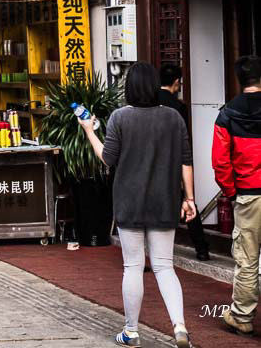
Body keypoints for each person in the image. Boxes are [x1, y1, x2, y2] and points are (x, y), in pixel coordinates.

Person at [79, 62, 194, 348]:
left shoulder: (120, 118)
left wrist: (89, 130)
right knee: (165, 266)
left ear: (129, 87)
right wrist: (189, 198)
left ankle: (131, 332)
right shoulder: (173, 118)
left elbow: (108, 158)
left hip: (129, 201)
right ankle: (179, 326)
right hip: (165, 201)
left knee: (132, 267)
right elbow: (185, 160)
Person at [212, 54, 261, 336]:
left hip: (248, 194)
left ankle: (242, 316)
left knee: (247, 258)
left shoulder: (228, 113)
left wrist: (231, 191)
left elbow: (220, 161)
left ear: (239, 80)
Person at [159, 63, 210, 262]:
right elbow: (184, 141)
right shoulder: (179, 107)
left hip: (152, 162)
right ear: (176, 82)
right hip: (173, 162)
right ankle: (201, 248)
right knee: (189, 204)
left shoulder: (149, 101)